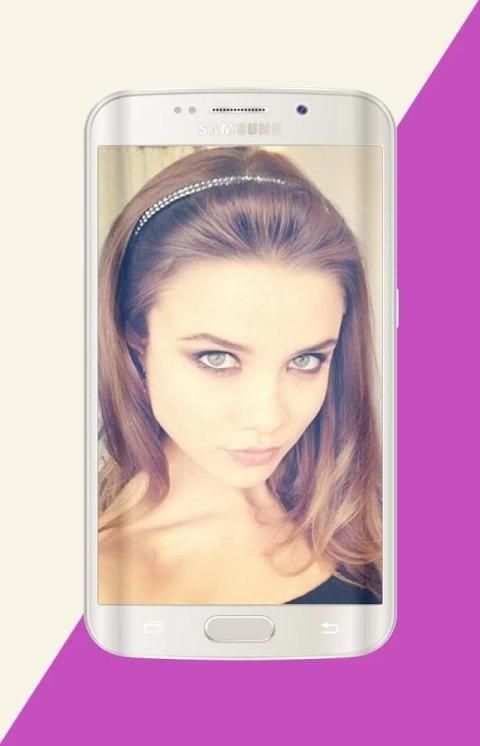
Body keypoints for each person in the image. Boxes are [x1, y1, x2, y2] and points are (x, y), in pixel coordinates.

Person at [97, 146, 382, 605]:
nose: (268, 417)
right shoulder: (95, 584)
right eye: (216, 358)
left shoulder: (371, 515)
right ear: (136, 340)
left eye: (306, 360)